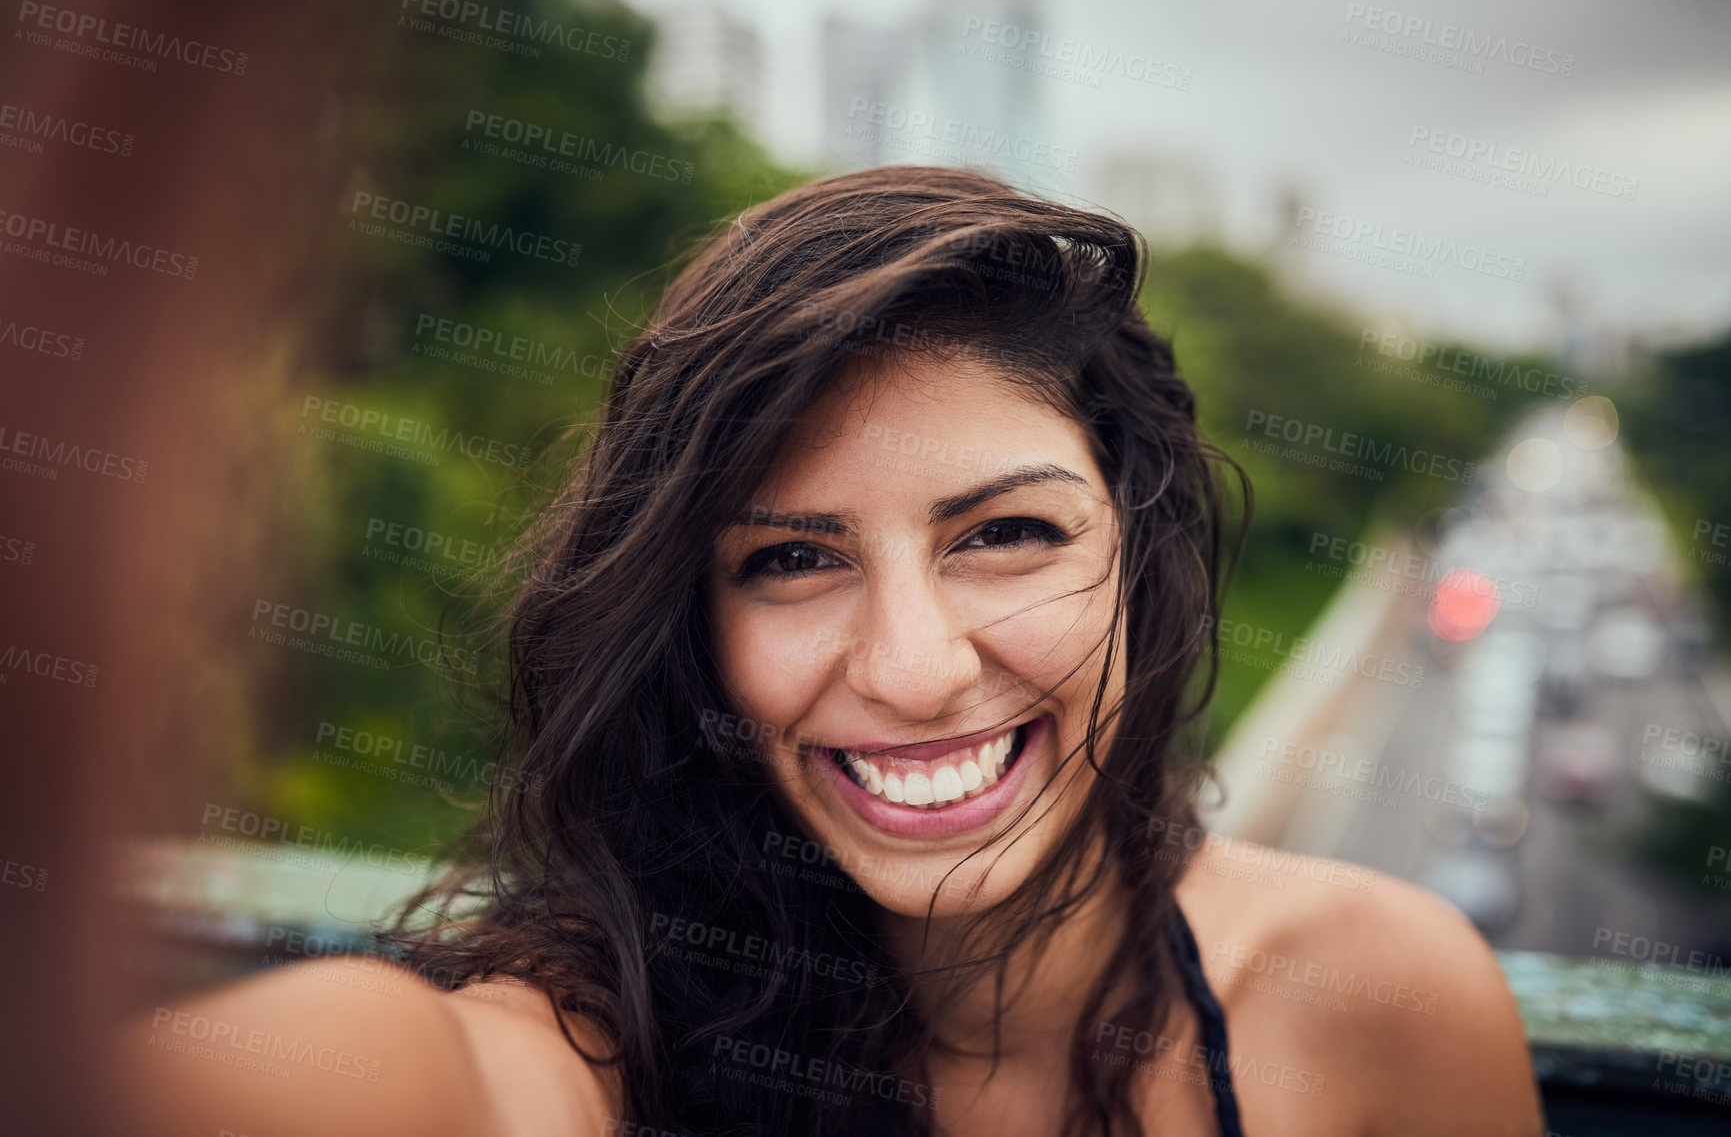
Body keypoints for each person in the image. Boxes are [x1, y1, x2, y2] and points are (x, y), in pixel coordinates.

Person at [116, 166, 1544, 1136]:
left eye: (1005, 537)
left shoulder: (1379, 999)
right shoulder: (596, 1052)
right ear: (693, 630)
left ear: (1134, 552)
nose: (916, 670)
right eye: (793, 561)